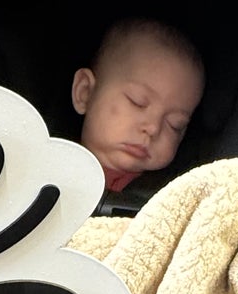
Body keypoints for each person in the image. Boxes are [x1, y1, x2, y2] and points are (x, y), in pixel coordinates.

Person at [71, 17, 206, 196]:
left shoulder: (168, 196)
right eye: (137, 102)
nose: (153, 128)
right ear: (85, 92)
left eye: (175, 124)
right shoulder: (42, 163)